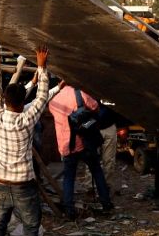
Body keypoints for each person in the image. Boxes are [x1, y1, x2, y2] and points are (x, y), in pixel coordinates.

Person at [0, 42, 54, 236]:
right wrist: (42, 66)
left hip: (0, 183)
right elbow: (43, 96)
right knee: (31, 226)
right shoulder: (27, 119)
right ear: (22, 101)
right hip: (23, 184)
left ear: (5, 101)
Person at [48, 82, 113, 217]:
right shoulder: (80, 93)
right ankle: (106, 203)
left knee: (69, 177)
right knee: (97, 171)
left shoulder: (54, 99)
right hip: (85, 142)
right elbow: (95, 107)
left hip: (66, 145)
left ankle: (69, 210)